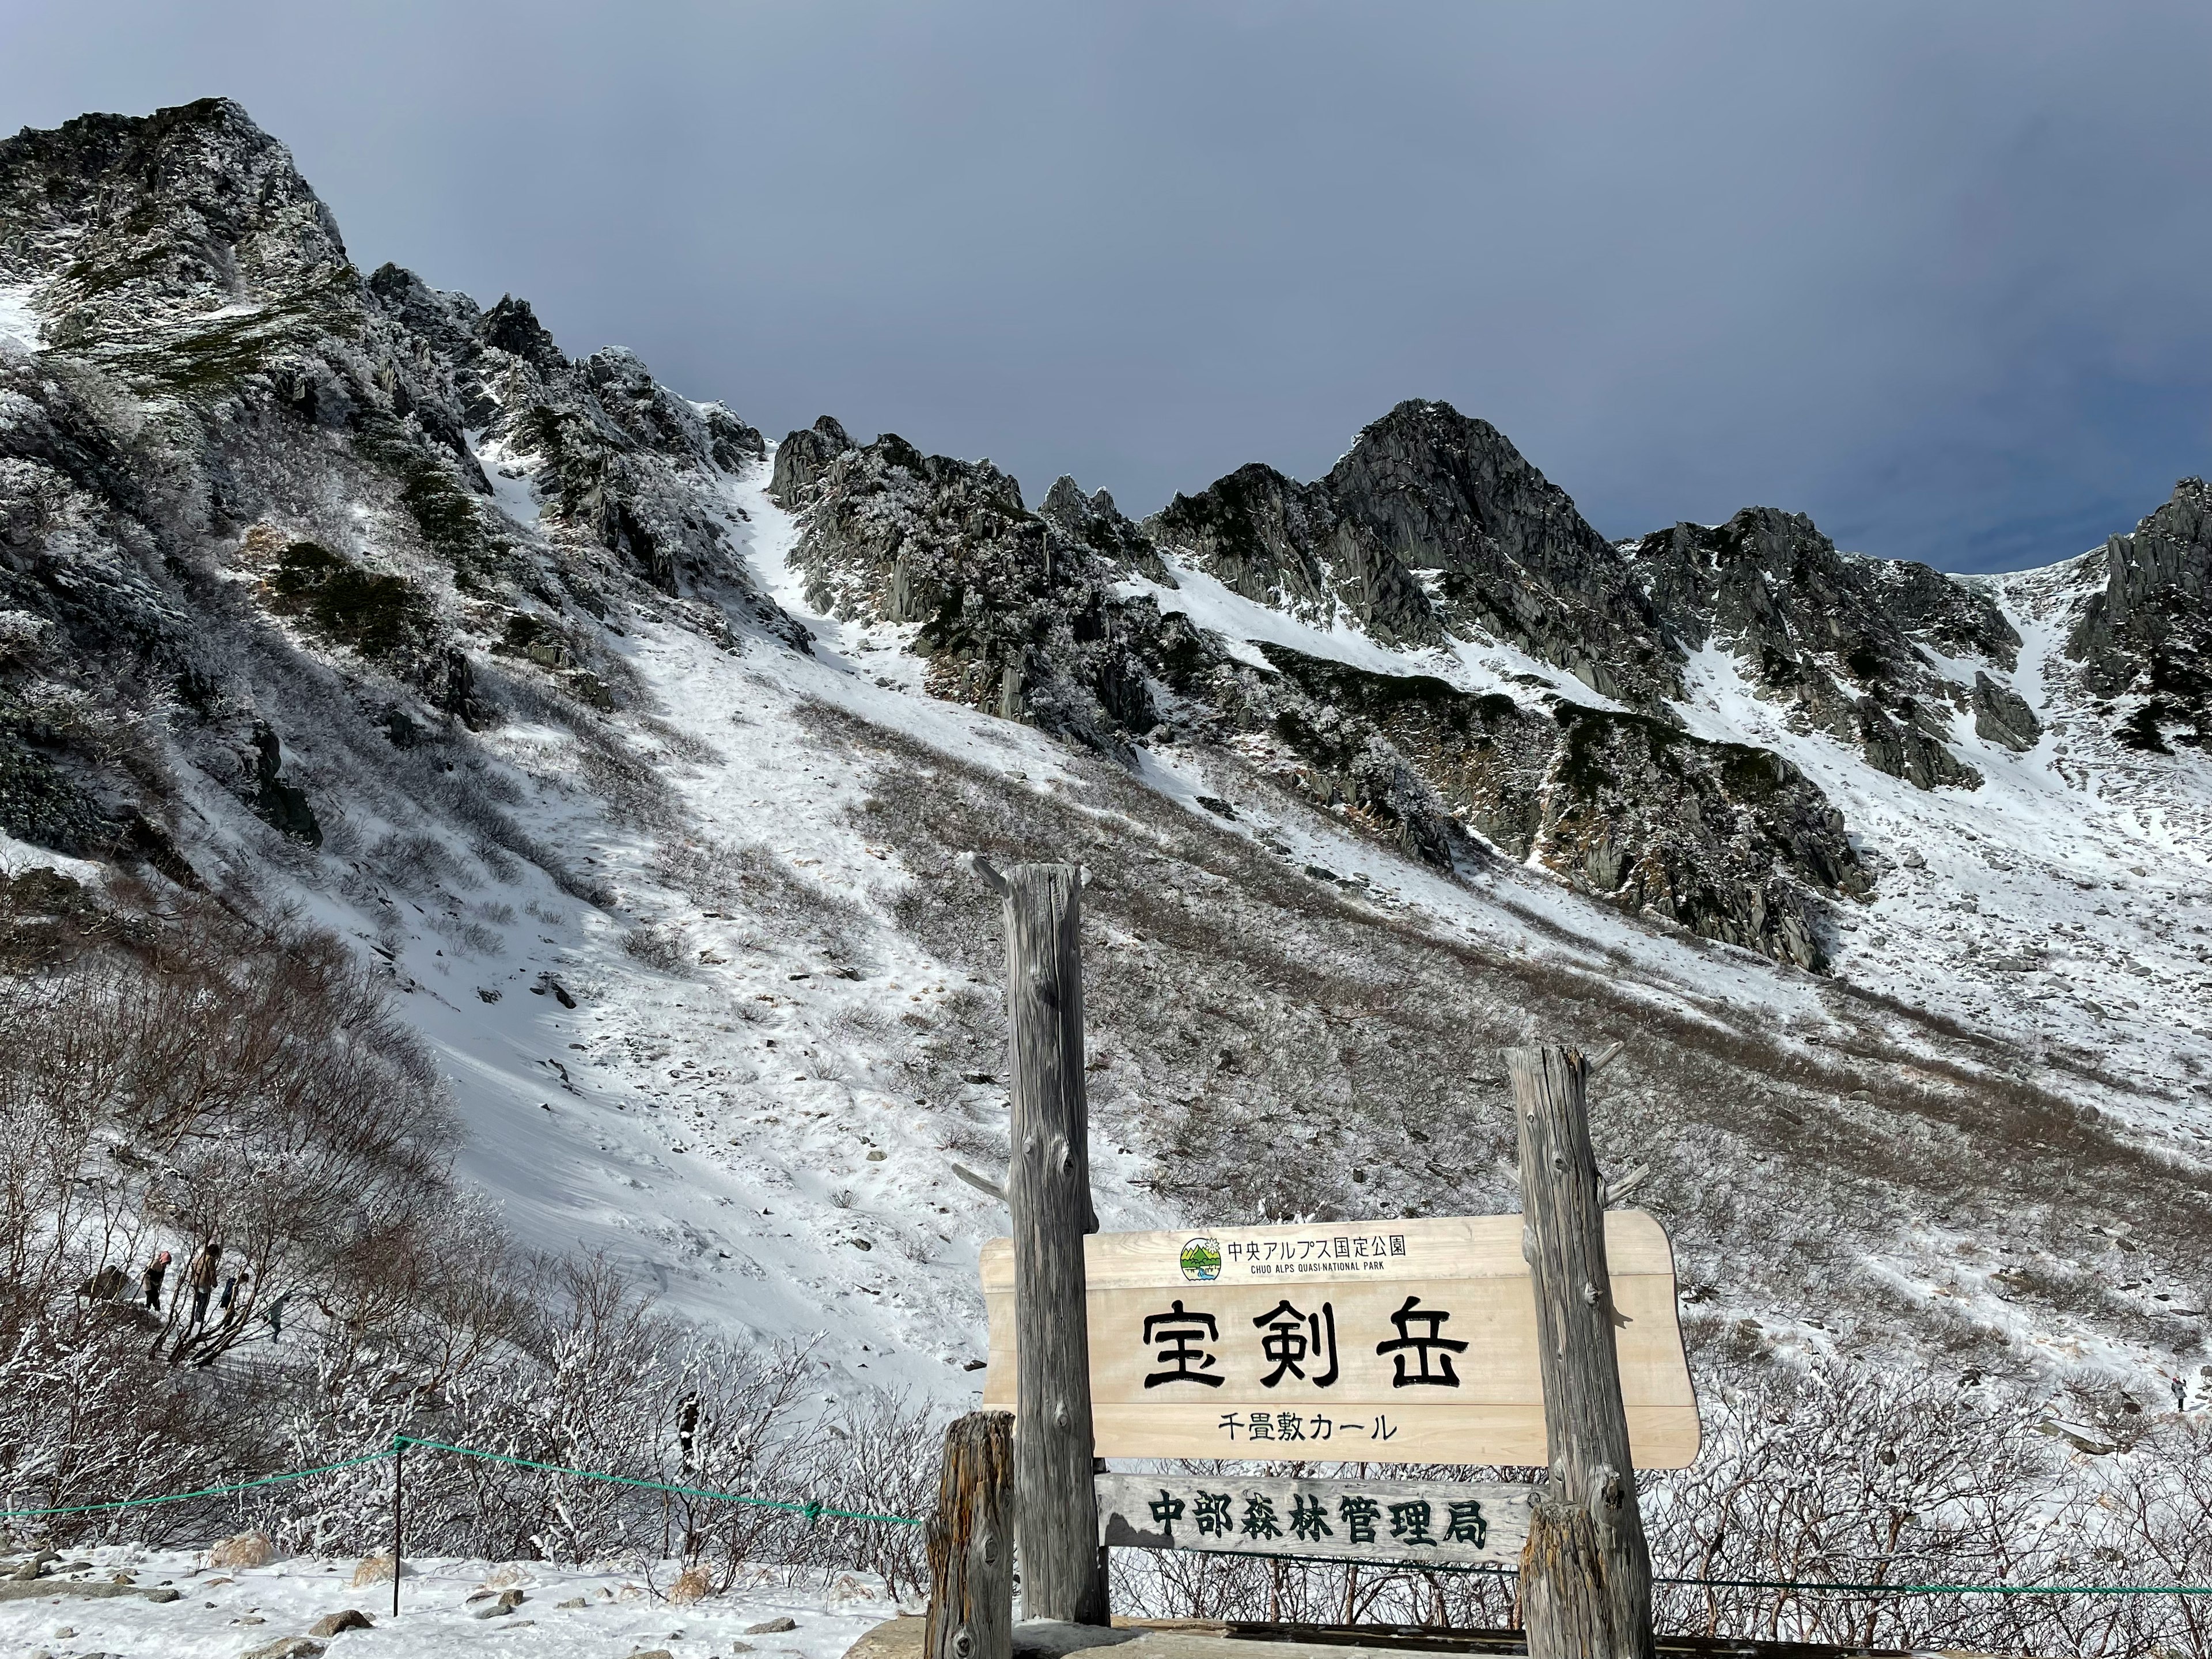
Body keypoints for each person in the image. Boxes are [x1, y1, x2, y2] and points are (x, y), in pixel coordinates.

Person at [184, 1237, 222, 1330]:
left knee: (198, 1301)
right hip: (204, 1284)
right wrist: (214, 1283)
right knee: (204, 1302)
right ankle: (199, 1319)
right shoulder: (210, 1260)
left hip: (195, 1282)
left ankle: (196, 1317)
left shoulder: (198, 1258)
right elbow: (212, 1272)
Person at [140, 1249, 171, 1313]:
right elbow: (148, 1273)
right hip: (147, 1279)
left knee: (155, 1295)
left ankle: (154, 1309)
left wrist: (158, 1285)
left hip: (152, 1281)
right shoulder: (155, 1263)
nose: (166, 1265)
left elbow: (160, 1277)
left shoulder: (162, 1267)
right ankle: (151, 1308)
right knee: (151, 1294)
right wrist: (155, 1282)